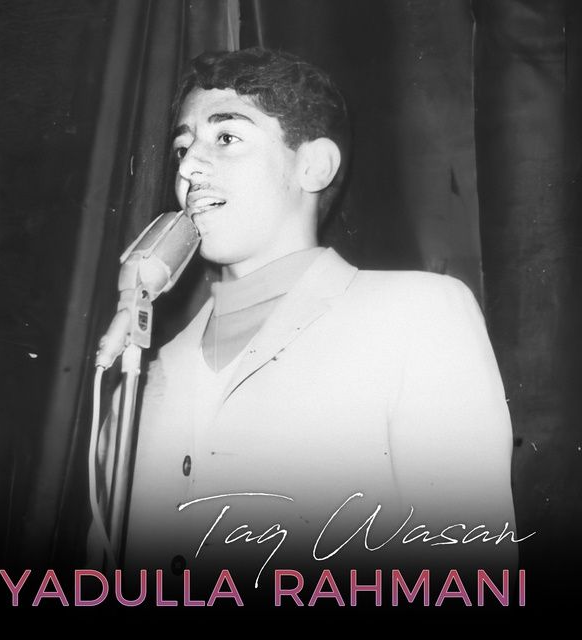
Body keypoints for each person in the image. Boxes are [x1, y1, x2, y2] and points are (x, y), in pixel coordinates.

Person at [91, 48, 518, 604]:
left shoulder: (417, 314)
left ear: (314, 166)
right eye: (182, 147)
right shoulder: (139, 378)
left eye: (226, 137)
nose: (188, 166)